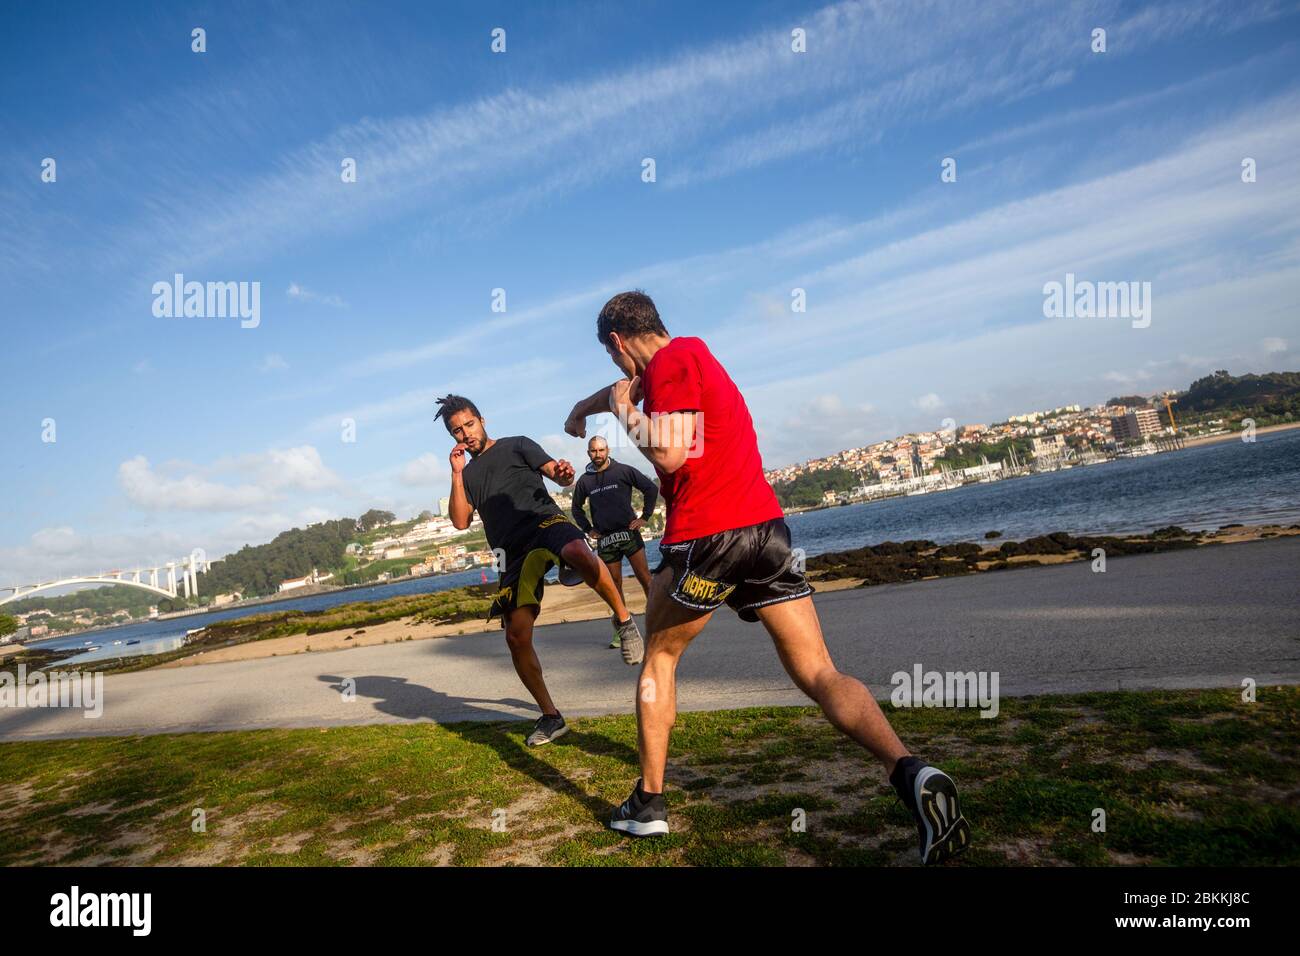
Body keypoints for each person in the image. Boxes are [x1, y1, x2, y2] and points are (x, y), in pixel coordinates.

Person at [563, 291, 971, 863]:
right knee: (818, 671)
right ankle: (911, 772)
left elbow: (673, 454)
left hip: (708, 538)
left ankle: (648, 804)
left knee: (659, 658)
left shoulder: (673, 361)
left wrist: (623, 410)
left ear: (617, 343)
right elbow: (624, 397)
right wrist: (586, 410)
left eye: (614, 362)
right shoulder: (688, 362)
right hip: (766, 533)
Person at [439, 394, 645, 747]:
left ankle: (624, 621)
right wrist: (457, 474)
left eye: (469, 424)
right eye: (457, 431)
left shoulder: (517, 445)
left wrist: (563, 473)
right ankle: (551, 716)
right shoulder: (468, 473)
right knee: (516, 638)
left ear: (482, 419)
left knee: (576, 548)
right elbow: (460, 521)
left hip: (543, 521)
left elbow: (558, 475)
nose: (465, 434)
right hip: (511, 551)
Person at [571, 436, 658, 649]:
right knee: (614, 585)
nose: (598, 454)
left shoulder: (623, 471)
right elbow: (576, 509)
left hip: (629, 533)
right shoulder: (585, 481)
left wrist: (645, 517)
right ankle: (623, 631)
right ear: (588, 453)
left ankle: (658, 624)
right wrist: (588, 529)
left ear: (607, 450)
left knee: (645, 577)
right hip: (606, 539)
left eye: (601, 450)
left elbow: (650, 488)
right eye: (593, 451)